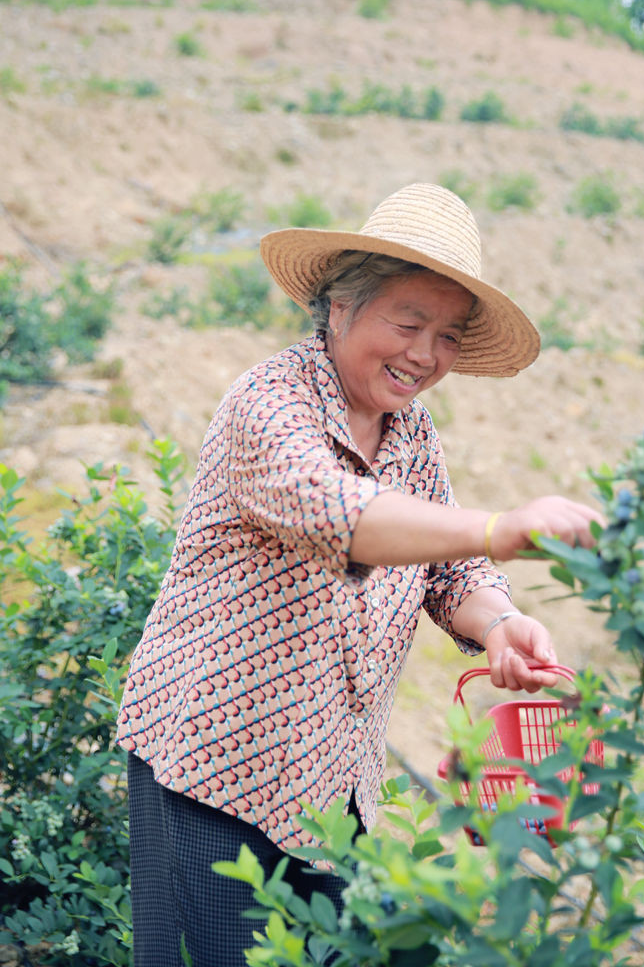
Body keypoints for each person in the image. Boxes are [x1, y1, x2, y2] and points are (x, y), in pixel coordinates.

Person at [117, 182, 601, 967]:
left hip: (330, 790)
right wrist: (502, 526)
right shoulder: (269, 404)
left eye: (446, 336)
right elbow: (340, 512)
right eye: (408, 323)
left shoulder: (411, 429)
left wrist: (500, 622)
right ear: (340, 307)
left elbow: (449, 569)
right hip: (209, 766)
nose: (424, 354)